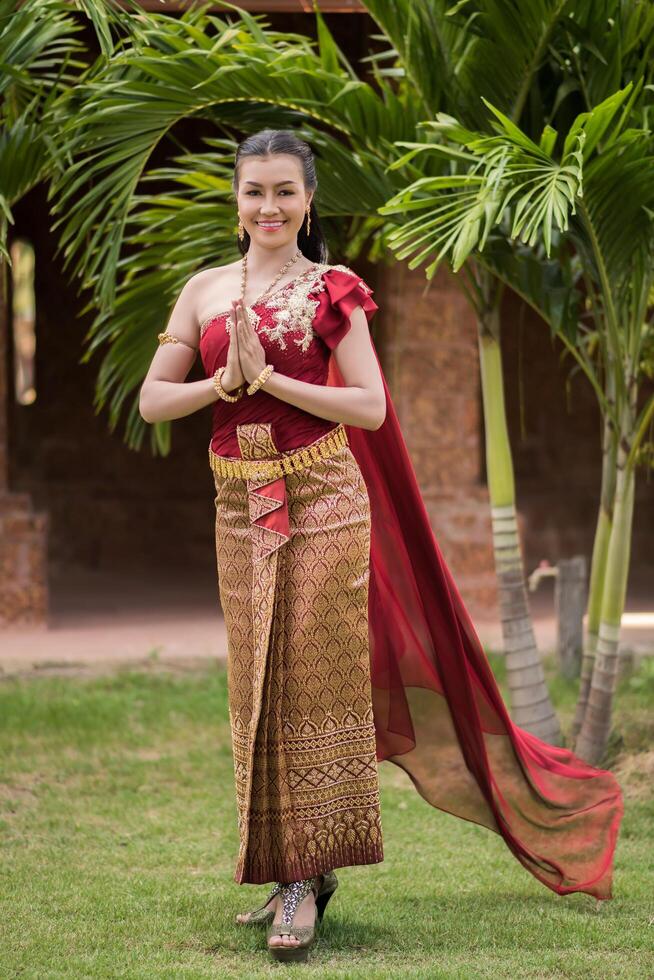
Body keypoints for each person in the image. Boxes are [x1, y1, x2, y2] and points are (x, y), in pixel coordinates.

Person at [139, 128, 624, 965]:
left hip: (324, 496)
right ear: (236, 197)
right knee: (255, 682)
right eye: (255, 191)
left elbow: (368, 405)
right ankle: (291, 869)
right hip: (237, 503)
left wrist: (271, 380)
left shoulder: (334, 289)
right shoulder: (203, 290)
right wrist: (219, 384)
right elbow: (153, 402)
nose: (269, 207)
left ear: (309, 199)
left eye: (285, 191)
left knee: (314, 678)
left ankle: (306, 875)